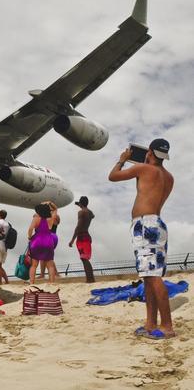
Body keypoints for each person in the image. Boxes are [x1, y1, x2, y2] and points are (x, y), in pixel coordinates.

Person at [109, 139, 175, 339]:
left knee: (153, 277)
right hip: (158, 224)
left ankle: (167, 326)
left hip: (145, 225)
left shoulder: (145, 169)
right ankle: (150, 323)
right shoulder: (169, 177)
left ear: (150, 152)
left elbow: (112, 176)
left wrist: (122, 160)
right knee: (148, 276)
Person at [28, 203, 59, 284]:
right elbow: (55, 209)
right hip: (48, 242)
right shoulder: (51, 219)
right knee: (50, 265)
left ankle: (31, 282)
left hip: (37, 242)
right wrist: (50, 203)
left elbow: (30, 229)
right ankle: (51, 282)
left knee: (34, 265)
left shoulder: (36, 219)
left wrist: (29, 237)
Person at [69, 196, 96, 283]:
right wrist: (80, 205)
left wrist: (72, 240)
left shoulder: (81, 212)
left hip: (81, 237)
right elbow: (92, 216)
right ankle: (90, 279)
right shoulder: (89, 212)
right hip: (87, 236)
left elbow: (78, 227)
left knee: (84, 259)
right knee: (85, 258)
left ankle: (90, 279)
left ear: (81, 204)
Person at [40, 201, 60, 279]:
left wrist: (50, 203)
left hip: (49, 236)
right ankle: (44, 274)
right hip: (49, 236)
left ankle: (55, 274)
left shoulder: (54, 216)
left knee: (46, 256)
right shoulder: (49, 216)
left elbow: (55, 208)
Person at [0, 209, 11, 285]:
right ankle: (7, 281)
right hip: (4, 245)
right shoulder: (7, 224)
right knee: (0, 266)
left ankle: (0, 282)